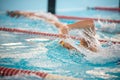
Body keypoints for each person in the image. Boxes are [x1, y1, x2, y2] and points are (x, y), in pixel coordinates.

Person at [7, 11, 99, 52]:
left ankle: (21, 13)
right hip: (64, 28)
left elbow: (90, 23)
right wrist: (68, 28)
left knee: (54, 22)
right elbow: (90, 23)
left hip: (63, 29)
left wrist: (63, 39)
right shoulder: (90, 46)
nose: (81, 39)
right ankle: (22, 13)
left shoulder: (80, 48)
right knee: (55, 22)